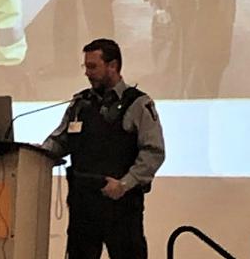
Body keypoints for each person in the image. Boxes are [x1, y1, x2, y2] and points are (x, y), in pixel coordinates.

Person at [42, 39, 165, 258]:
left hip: (121, 204)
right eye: (85, 66)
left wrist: (125, 184)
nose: (87, 73)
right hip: (83, 205)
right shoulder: (81, 103)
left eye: (93, 66)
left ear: (113, 66)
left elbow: (153, 151)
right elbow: (61, 141)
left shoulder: (137, 104)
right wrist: (38, 155)